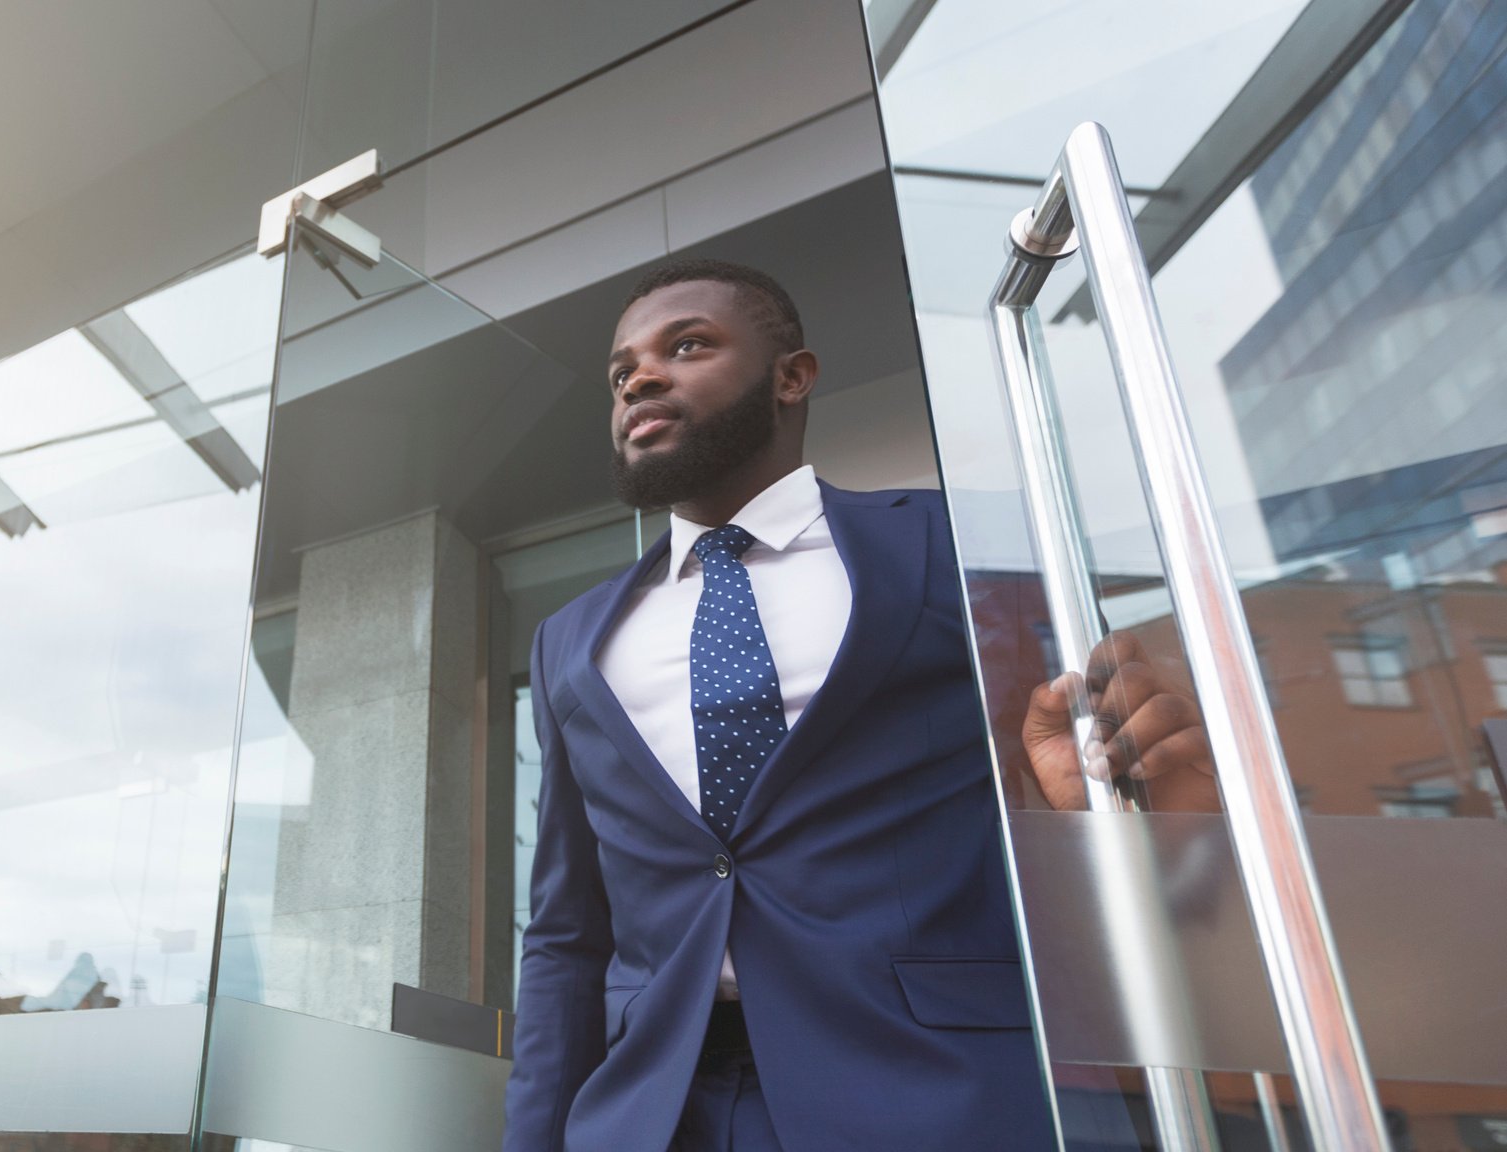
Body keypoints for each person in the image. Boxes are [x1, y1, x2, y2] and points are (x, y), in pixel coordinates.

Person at [501, 259, 1214, 1150]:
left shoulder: (960, 545)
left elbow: (1108, 811)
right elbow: (566, 934)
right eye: (621, 372)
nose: (639, 377)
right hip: (656, 1112)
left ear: (792, 376)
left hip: (935, 1092)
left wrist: (1138, 823)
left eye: (686, 346)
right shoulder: (568, 640)